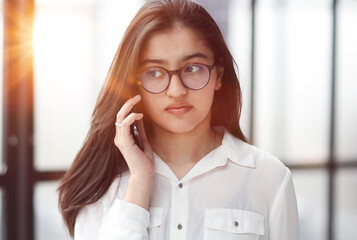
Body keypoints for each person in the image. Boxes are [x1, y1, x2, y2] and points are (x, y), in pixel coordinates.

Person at [58, 0, 299, 239]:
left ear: (218, 75)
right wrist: (140, 183)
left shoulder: (269, 178)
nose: (176, 91)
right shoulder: (102, 187)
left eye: (192, 68)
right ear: (134, 83)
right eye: (154, 72)